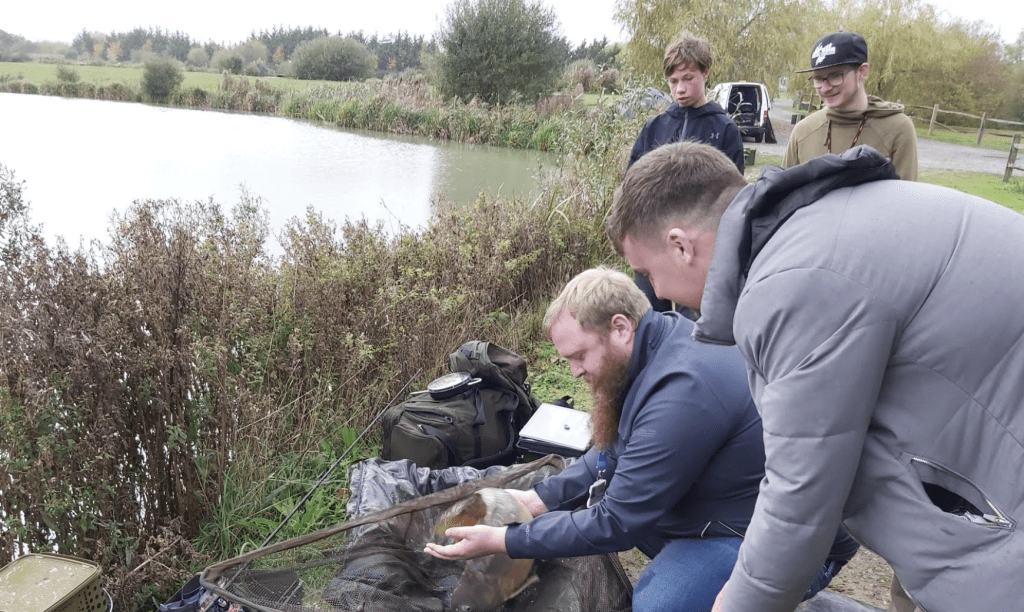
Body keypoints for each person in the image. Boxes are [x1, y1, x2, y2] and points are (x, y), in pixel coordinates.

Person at [606, 140, 1024, 612]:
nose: (654, 293)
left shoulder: (790, 284)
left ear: (681, 245)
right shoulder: (816, 227)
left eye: (646, 273)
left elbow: (800, 497)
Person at [424, 267, 856, 612]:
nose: (573, 371)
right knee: (619, 519)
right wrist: (538, 501)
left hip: (792, 542)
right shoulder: (657, 343)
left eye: (579, 356)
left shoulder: (683, 392)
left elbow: (615, 523)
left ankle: (768, 593)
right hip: (731, 507)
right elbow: (608, 453)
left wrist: (505, 540)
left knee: (658, 602)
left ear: (620, 328)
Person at [628, 30, 746, 314]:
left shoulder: (724, 129)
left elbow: (734, 197)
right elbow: (631, 185)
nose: (680, 88)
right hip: (654, 244)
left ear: (705, 73)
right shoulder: (655, 127)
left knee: (692, 323)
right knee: (649, 319)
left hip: (699, 251)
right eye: (673, 81)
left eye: (688, 79)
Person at [784, 31, 918, 181]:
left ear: (862, 72)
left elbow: (905, 199)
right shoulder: (803, 131)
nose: (825, 87)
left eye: (835, 76)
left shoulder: (898, 128)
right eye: (819, 78)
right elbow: (783, 197)